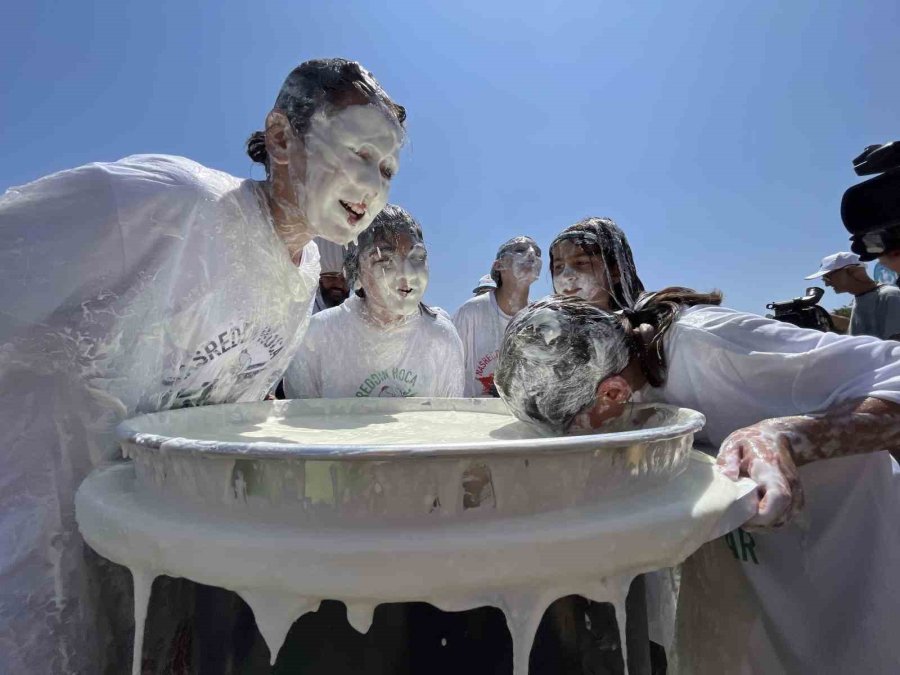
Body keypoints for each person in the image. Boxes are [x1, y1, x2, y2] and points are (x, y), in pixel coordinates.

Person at [0, 57, 406, 674]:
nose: (373, 184)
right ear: (280, 138)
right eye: (357, 152)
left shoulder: (297, 282)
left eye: (387, 169)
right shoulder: (171, 205)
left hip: (144, 555)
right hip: (30, 538)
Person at [495, 291, 900, 673]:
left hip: (845, 591)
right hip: (755, 595)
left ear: (613, 393)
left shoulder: (712, 346)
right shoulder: (628, 372)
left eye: (574, 430)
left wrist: (791, 437)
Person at [283, 204, 464, 399]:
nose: (407, 274)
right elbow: (302, 420)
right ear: (357, 274)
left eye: (417, 257)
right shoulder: (318, 336)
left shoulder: (440, 337)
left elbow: (448, 418)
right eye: (385, 260)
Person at [452, 236, 542, 397]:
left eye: (537, 253)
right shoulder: (471, 312)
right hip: (475, 416)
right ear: (499, 265)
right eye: (520, 250)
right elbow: (449, 370)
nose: (531, 254)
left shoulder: (539, 318)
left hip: (519, 418)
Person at [549, 216, 644, 309]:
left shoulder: (643, 323)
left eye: (581, 263)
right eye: (559, 266)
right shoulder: (543, 323)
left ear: (615, 271)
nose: (566, 276)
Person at [805, 250, 900, 339]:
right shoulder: (861, 298)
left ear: (851, 270)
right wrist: (825, 316)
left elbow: (895, 343)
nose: (827, 284)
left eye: (828, 277)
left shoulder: (890, 295)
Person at [313, 237, 351, 313]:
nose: (339, 283)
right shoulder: (353, 266)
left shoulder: (313, 261)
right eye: (344, 286)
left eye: (332, 285)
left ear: (320, 283)